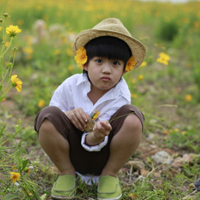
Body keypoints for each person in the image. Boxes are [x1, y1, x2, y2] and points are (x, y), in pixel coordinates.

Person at [34, 18, 146, 200]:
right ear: (85, 63)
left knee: (133, 117)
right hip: (69, 155)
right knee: (47, 116)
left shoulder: (121, 95)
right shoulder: (71, 85)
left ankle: (109, 175)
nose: (107, 70)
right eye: (99, 61)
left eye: (115, 63)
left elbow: (95, 140)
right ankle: (66, 174)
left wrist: (98, 135)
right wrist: (68, 115)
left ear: (125, 68)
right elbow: (52, 122)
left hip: (104, 156)